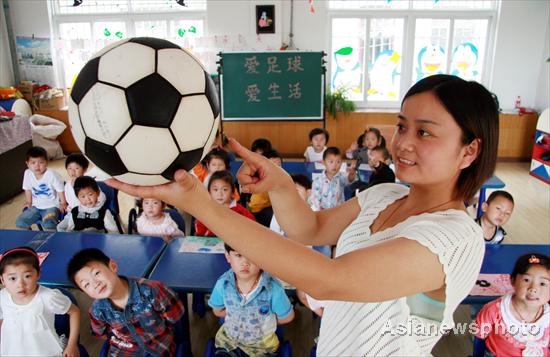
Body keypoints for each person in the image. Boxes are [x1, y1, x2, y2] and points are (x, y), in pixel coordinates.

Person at [108, 74, 499, 355]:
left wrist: (199, 202)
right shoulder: (385, 194)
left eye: (425, 132)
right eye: (401, 126)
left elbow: (329, 279)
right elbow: (307, 228)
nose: (403, 143)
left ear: (470, 151)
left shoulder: (454, 238)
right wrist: (279, 184)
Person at [67, 248, 185, 356]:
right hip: (124, 352)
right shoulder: (97, 311)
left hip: (159, 349)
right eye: (86, 284)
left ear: (112, 266)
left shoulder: (152, 290)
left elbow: (175, 315)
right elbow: (101, 334)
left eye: (96, 273)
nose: (95, 284)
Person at [208, 243, 295, 356]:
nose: (245, 263)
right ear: (228, 257)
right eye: (238, 255)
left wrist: (266, 320)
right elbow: (217, 311)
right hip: (229, 343)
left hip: (263, 347)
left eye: (252, 256)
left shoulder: (273, 289)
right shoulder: (223, 284)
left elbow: (288, 317)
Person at [0, 247, 80, 356]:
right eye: (12, 278)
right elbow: (3, 320)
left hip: (45, 352)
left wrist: (72, 345)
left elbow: (74, 312)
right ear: (2, 280)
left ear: (38, 274)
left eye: (27, 276)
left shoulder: (48, 297)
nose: (20, 284)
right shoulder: (2, 297)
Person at [474, 253, 549, 356]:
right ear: (513, 280)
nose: (533, 289)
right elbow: (479, 336)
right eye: (526, 280)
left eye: (543, 284)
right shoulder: (494, 311)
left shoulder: (547, 316)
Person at [16, 146, 67, 230]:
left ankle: (52, 241)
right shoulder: (27, 173)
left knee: (49, 223)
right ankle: (30, 239)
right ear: (27, 164)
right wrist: (29, 201)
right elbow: (27, 189)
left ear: (46, 162)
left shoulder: (51, 174)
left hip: (52, 206)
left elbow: (60, 189)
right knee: (21, 222)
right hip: (36, 206)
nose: (37, 166)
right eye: (33, 163)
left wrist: (63, 202)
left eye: (41, 162)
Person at [195, 170, 255, 237]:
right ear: (209, 192)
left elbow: (253, 226)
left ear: (232, 192)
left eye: (225, 189)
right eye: (215, 190)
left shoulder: (240, 211)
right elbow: (200, 232)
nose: (220, 194)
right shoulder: (206, 210)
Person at [248, 149, 282, 226]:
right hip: (258, 211)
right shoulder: (261, 178)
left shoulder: (280, 178)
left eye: (279, 166)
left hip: (271, 207)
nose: (276, 169)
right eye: (272, 166)